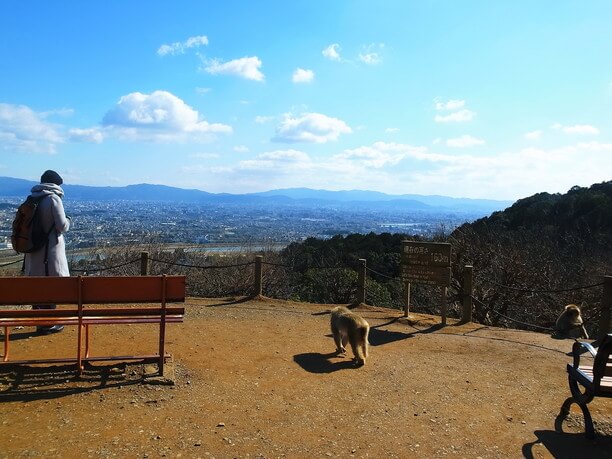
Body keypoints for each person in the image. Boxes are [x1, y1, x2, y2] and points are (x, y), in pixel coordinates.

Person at [24, 170, 71, 334]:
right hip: (49, 251)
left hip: (33, 250)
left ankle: (40, 321)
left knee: (37, 285)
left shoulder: (32, 197)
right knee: (51, 285)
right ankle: (48, 324)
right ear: (56, 184)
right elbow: (61, 225)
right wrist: (69, 221)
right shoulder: (53, 198)